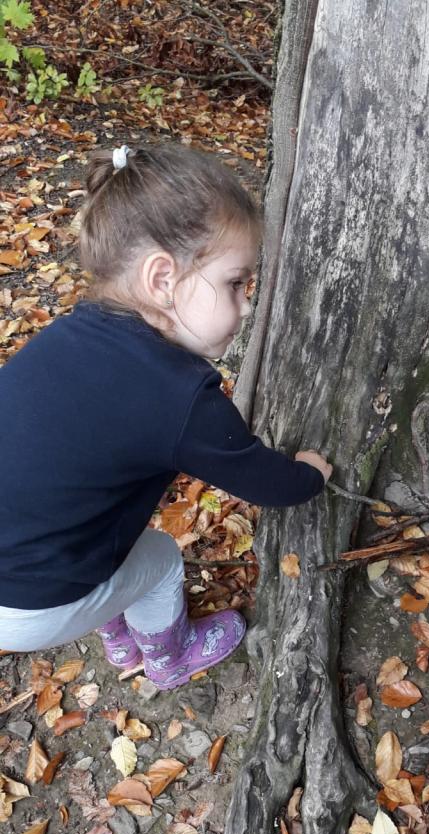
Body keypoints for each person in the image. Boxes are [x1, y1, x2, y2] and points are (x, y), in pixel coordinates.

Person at [0, 143, 332, 691]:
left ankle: (114, 626)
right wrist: (311, 474)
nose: (248, 305)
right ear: (161, 279)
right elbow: (267, 482)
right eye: (234, 283)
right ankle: (168, 656)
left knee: (107, 533)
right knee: (156, 557)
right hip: (32, 603)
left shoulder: (68, 335)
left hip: (25, 560)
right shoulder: (181, 397)